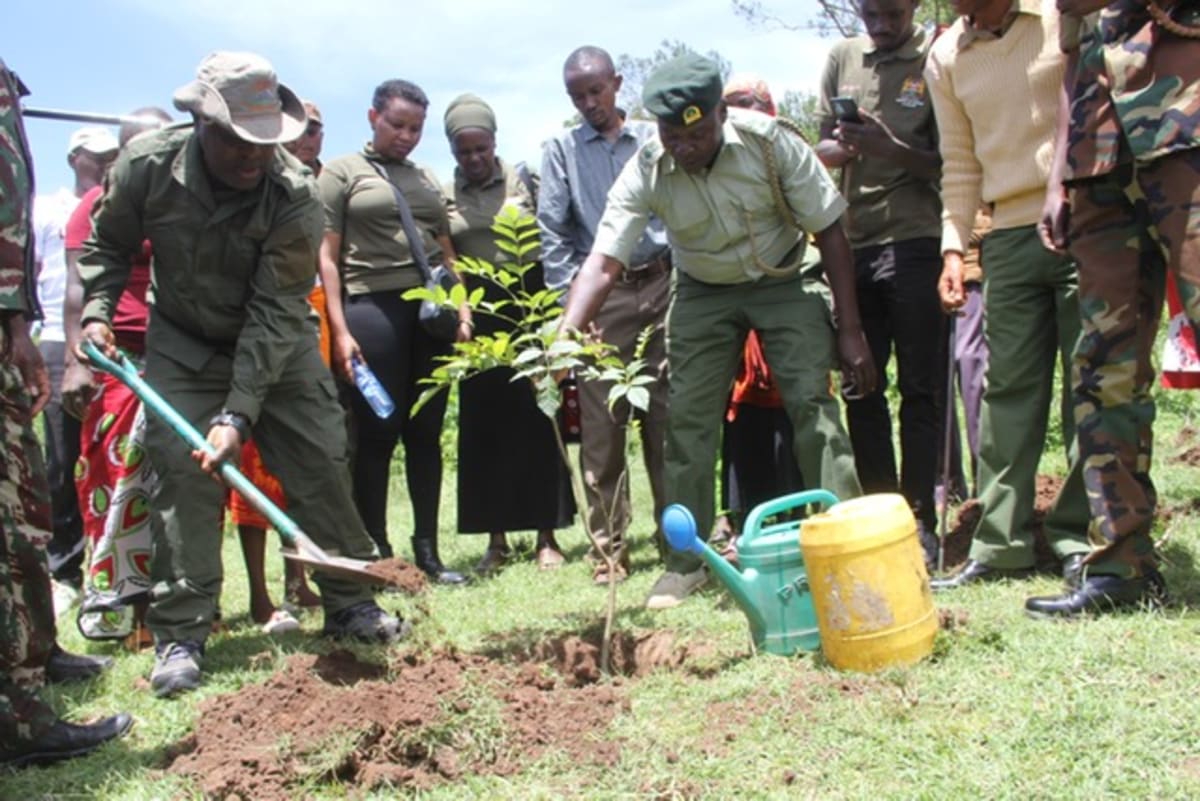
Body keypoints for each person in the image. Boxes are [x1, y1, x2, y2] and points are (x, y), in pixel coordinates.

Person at [77, 51, 409, 699]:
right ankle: (182, 631)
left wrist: (236, 415)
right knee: (183, 473)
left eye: (265, 142)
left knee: (319, 458)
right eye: (236, 140)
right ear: (201, 123)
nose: (252, 155)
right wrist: (95, 313)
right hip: (184, 344)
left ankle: (349, 601)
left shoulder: (293, 195)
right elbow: (107, 244)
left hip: (275, 346)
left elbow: (271, 310)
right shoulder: (147, 167)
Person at [561, 53, 874, 609]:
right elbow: (604, 261)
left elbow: (829, 230)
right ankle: (687, 563)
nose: (684, 147)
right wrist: (566, 333)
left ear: (719, 117)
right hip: (703, 289)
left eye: (698, 134)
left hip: (782, 276)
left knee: (813, 408)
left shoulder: (770, 143)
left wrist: (850, 330)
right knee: (687, 422)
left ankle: (845, 544)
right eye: (671, 136)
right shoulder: (648, 166)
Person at [1025, 0, 1197, 616]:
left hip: (1186, 129)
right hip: (1099, 162)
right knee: (1102, 367)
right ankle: (1121, 565)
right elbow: (1075, 61)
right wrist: (1058, 178)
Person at [926, 0, 1091, 591]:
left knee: (1089, 381)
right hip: (1007, 235)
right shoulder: (946, 56)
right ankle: (1000, 544)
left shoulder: (1057, 14)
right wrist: (953, 248)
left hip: (1085, 216)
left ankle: (1082, 538)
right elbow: (960, 164)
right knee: (1006, 392)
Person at [0, 55, 131, 769]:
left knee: (21, 510)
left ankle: (33, 660)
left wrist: (15, 321)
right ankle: (16, 717)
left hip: (11, 326)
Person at [316, 79, 469, 584]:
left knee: (426, 432)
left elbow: (447, 252)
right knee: (378, 431)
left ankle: (428, 552)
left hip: (430, 313)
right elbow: (327, 259)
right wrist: (340, 332)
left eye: (416, 128)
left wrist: (462, 310)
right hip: (370, 309)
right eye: (397, 125)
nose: (406, 136)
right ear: (372, 117)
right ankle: (378, 549)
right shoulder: (342, 172)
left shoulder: (425, 178)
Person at [817, 0, 945, 562]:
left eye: (891, 13)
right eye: (870, 13)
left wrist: (889, 148)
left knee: (921, 388)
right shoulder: (842, 57)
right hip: (853, 246)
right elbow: (818, 150)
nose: (881, 25)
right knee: (861, 386)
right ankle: (880, 513)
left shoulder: (936, 55)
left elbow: (950, 160)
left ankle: (919, 516)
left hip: (916, 240)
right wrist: (845, 146)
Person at [538, 45, 671, 584]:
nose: (589, 103)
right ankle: (609, 551)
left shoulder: (655, 139)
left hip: (663, 283)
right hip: (600, 299)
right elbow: (552, 234)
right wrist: (575, 310)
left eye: (596, 91)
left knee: (667, 418)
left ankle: (676, 539)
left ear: (617, 84)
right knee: (602, 429)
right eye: (577, 96)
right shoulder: (561, 150)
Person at [442, 93, 576, 572]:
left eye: (482, 148)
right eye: (464, 151)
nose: (474, 159)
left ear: (495, 141)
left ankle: (546, 535)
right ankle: (495, 540)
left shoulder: (527, 180)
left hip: (527, 303)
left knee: (540, 416)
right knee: (485, 428)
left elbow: (557, 233)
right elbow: (447, 258)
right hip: (476, 316)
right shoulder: (444, 194)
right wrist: (460, 311)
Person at [62, 107, 171, 646]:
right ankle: (124, 608)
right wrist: (75, 362)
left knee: (176, 482)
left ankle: (175, 603)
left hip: (174, 355)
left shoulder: (176, 205)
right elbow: (76, 290)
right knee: (119, 484)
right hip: (117, 360)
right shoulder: (95, 208)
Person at [229, 97, 326, 632]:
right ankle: (259, 595)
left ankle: (299, 579)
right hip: (251, 329)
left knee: (303, 459)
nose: (309, 139)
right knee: (252, 466)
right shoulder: (247, 186)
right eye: (302, 130)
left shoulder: (312, 188)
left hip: (303, 323)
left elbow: (324, 266)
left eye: (316, 130)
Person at [713, 74, 804, 555]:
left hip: (787, 293)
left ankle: (796, 520)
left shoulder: (785, 155)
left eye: (750, 104)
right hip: (733, 306)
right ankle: (743, 520)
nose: (743, 115)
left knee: (793, 414)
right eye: (733, 107)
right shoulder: (717, 161)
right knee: (742, 419)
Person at [34, 125, 119, 616]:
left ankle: (109, 569)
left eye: (113, 156)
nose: (106, 164)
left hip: (104, 341)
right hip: (53, 338)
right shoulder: (48, 209)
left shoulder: (122, 206)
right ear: (73, 159)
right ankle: (63, 569)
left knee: (106, 459)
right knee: (62, 462)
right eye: (96, 157)